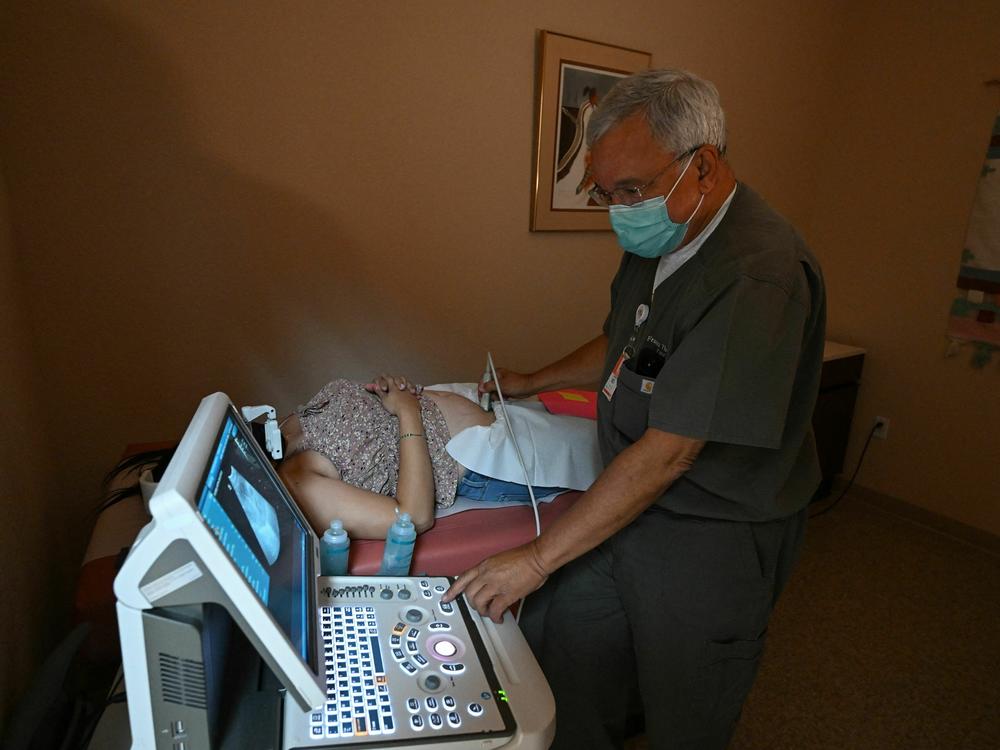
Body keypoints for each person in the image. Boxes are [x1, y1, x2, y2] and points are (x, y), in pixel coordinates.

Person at [444, 68, 827, 749]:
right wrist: (533, 380)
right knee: (568, 644)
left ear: (701, 167)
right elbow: (629, 342)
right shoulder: (667, 239)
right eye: (605, 192)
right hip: (634, 503)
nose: (618, 209)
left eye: (630, 191)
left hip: (713, 526)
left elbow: (671, 451)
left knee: (686, 702)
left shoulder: (758, 273)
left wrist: (535, 558)